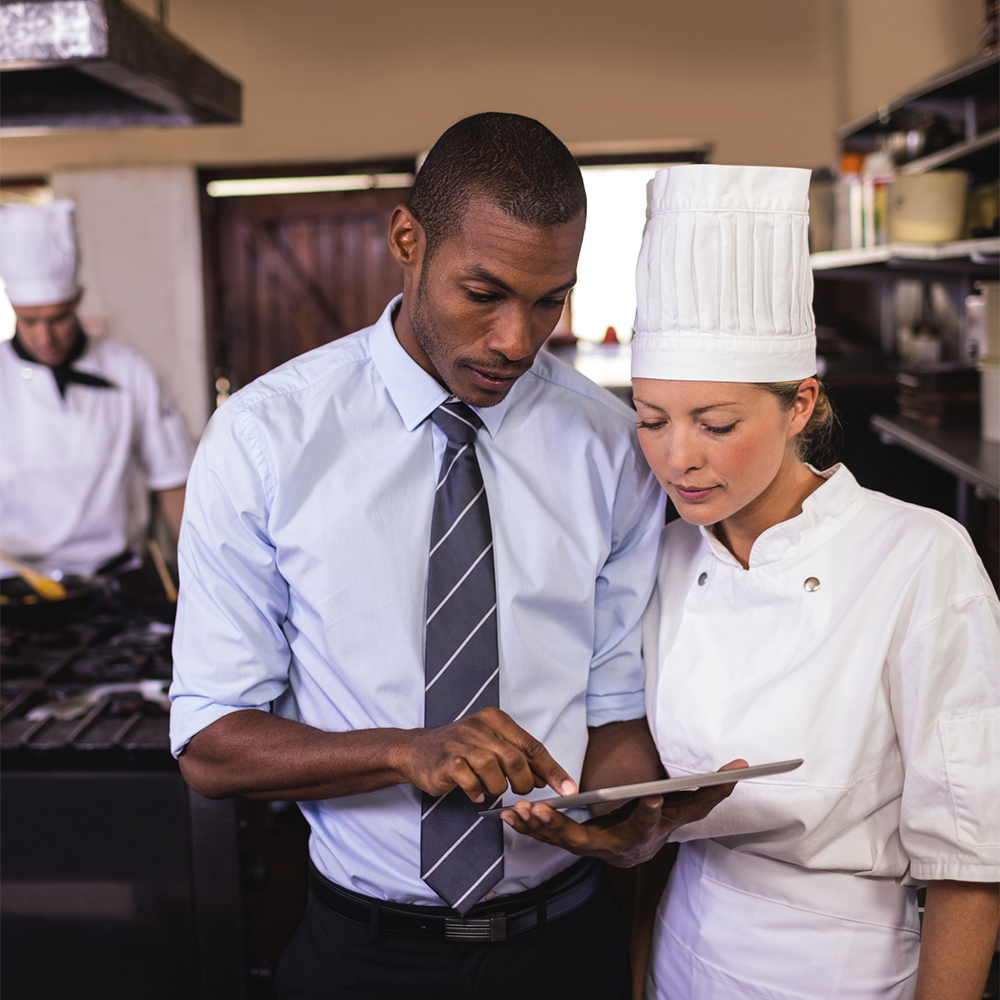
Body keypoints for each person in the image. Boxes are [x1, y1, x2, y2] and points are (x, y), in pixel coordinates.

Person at [168, 114, 738, 1000]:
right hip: (361, 956)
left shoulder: (611, 446)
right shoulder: (265, 439)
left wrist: (631, 816)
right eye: (485, 292)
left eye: (551, 300)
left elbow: (615, 706)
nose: (517, 339)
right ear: (407, 240)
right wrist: (405, 751)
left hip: (565, 944)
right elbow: (209, 744)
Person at [500, 164, 1000, 999]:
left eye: (717, 424)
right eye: (652, 421)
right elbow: (656, 825)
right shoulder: (659, 559)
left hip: (843, 966)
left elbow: (972, 858)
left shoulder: (919, 558)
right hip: (682, 950)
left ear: (800, 404)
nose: (678, 458)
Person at [0, 200, 193, 587]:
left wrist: (200, 576)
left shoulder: (127, 367)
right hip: (18, 585)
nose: (45, 337)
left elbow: (174, 480)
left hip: (119, 580)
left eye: (57, 318)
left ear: (77, 301)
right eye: (30, 321)